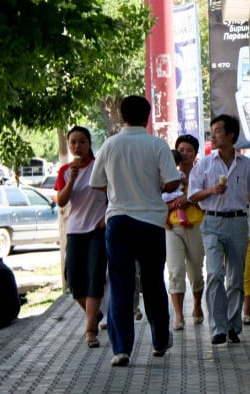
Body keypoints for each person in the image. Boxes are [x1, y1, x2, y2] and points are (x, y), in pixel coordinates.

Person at [89, 95, 182, 367]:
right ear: (148, 116)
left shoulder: (109, 145)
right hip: (151, 222)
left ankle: (121, 350)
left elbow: (97, 184)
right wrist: (154, 186)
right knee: (153, 281)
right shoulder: (157, 144)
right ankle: (160, 340)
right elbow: (172, 182)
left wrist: (120, 186)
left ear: (121, 115)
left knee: (121, 284)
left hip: (118, 221)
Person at [188, 114, 250, 345]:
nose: (213, 134)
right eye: (212, 131)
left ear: (231, 135)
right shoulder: (204, 164)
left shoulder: (247, 165)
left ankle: (233, 326)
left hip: (238, 222)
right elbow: (192, 194)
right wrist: (211, 191)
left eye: (218, 131)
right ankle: (217, 328)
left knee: (235, 277)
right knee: (214, 274)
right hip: (211, 222)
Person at [55, 126, 108, 349]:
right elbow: (61, 201)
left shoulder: (101, 167)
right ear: (69, 146)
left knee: (94, 277)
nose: (78, 146)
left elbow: (114, 194)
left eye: (82, 141)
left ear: (89, 143)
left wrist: (107, 217)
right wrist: (71, 180)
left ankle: (90, 330)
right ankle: (93, 314)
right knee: (74, 280)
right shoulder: (66, 170)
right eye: (73, 142)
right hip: (75, 230)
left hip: (97, 229)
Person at [164, 134, 206, 331]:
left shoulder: (202, 174)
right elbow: (160, 198)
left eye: (189, 150)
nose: (185, 154)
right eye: (181, 150)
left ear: (195, 153)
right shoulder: (169, 175)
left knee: (196, 270)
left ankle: (197, 305)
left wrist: (189, 199)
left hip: (197, 225)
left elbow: (209, 201)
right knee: (175, 271)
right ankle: (178, 315)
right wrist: (173, 204)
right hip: (172, 228)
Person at [163, 150, 192, 229]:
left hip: (165, 195)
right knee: (180, 205)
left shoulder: (163, 173)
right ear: (178, 163)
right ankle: (182, 219)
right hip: (176, 194)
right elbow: (185, 181)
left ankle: (167, 221)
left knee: (167, 209)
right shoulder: (179, 173)